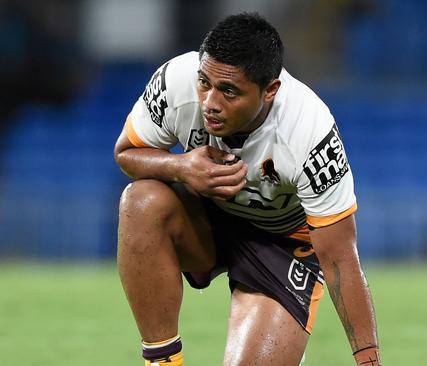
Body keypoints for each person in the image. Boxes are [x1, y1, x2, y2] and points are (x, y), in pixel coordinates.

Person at [114, 12, 381, 366]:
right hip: (206, 219)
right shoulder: (176, 82)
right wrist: (180, 166)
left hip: (282, 245)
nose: (209, 101)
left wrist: (369, 361)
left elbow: (340, 260)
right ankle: (162, 362)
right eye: (205, 83)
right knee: (141, 200)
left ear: (270, 90)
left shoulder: (309, 134)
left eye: (228, 91)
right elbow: (127, 153)